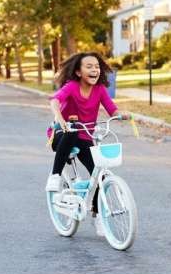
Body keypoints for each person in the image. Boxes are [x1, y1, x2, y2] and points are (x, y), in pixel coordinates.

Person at [45, 52, 119, 236]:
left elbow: (111, 108)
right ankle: (54, 176)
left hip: (85, 137)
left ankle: (98, 215)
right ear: (78, 72)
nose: (94, 69)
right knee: (73, 128)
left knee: (100, 173)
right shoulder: (72, 86)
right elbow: (55, 101)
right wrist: (60, 118)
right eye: (89, 66)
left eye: (96, 66)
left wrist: (120, 114)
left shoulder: (100, 89)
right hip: (62, 134)